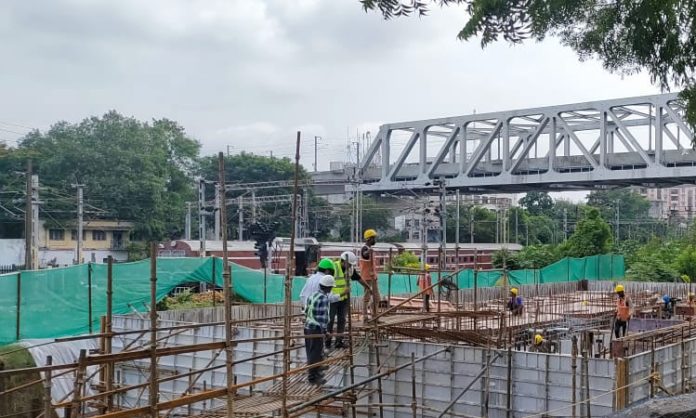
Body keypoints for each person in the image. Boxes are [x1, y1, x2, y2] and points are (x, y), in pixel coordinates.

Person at [304, 275, 335, 385]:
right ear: (328, 287)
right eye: (331, 287)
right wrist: (325, 331)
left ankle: (315, 372)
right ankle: (312, 377)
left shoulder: (313, 295)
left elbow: (306, 310)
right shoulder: (323, 298)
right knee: (316, 353)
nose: (331, 289)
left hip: (307, 327)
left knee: (311, 351)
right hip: (315, 329)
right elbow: (323, 318)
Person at [326, 251, 358, 349]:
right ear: (343, 261)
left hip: (344, 299)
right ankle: (327, 341)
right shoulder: (334, 267)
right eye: (348, 264)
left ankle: (339, 341)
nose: (349, 266)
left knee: (342, 320)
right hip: (333, 299)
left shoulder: (350, 269)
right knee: (330, 320)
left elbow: (358, 277)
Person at [359, 229, 380, 318]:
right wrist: (369, 252)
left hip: (373, 277)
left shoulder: (370, 249)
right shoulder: (365, 248)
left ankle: (374, 315)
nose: (375, 240)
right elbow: (364, 254)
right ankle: (365, 317)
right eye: (373, 238)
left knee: (377, 298)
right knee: (366, 298)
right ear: (369, 239)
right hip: (367, 277)